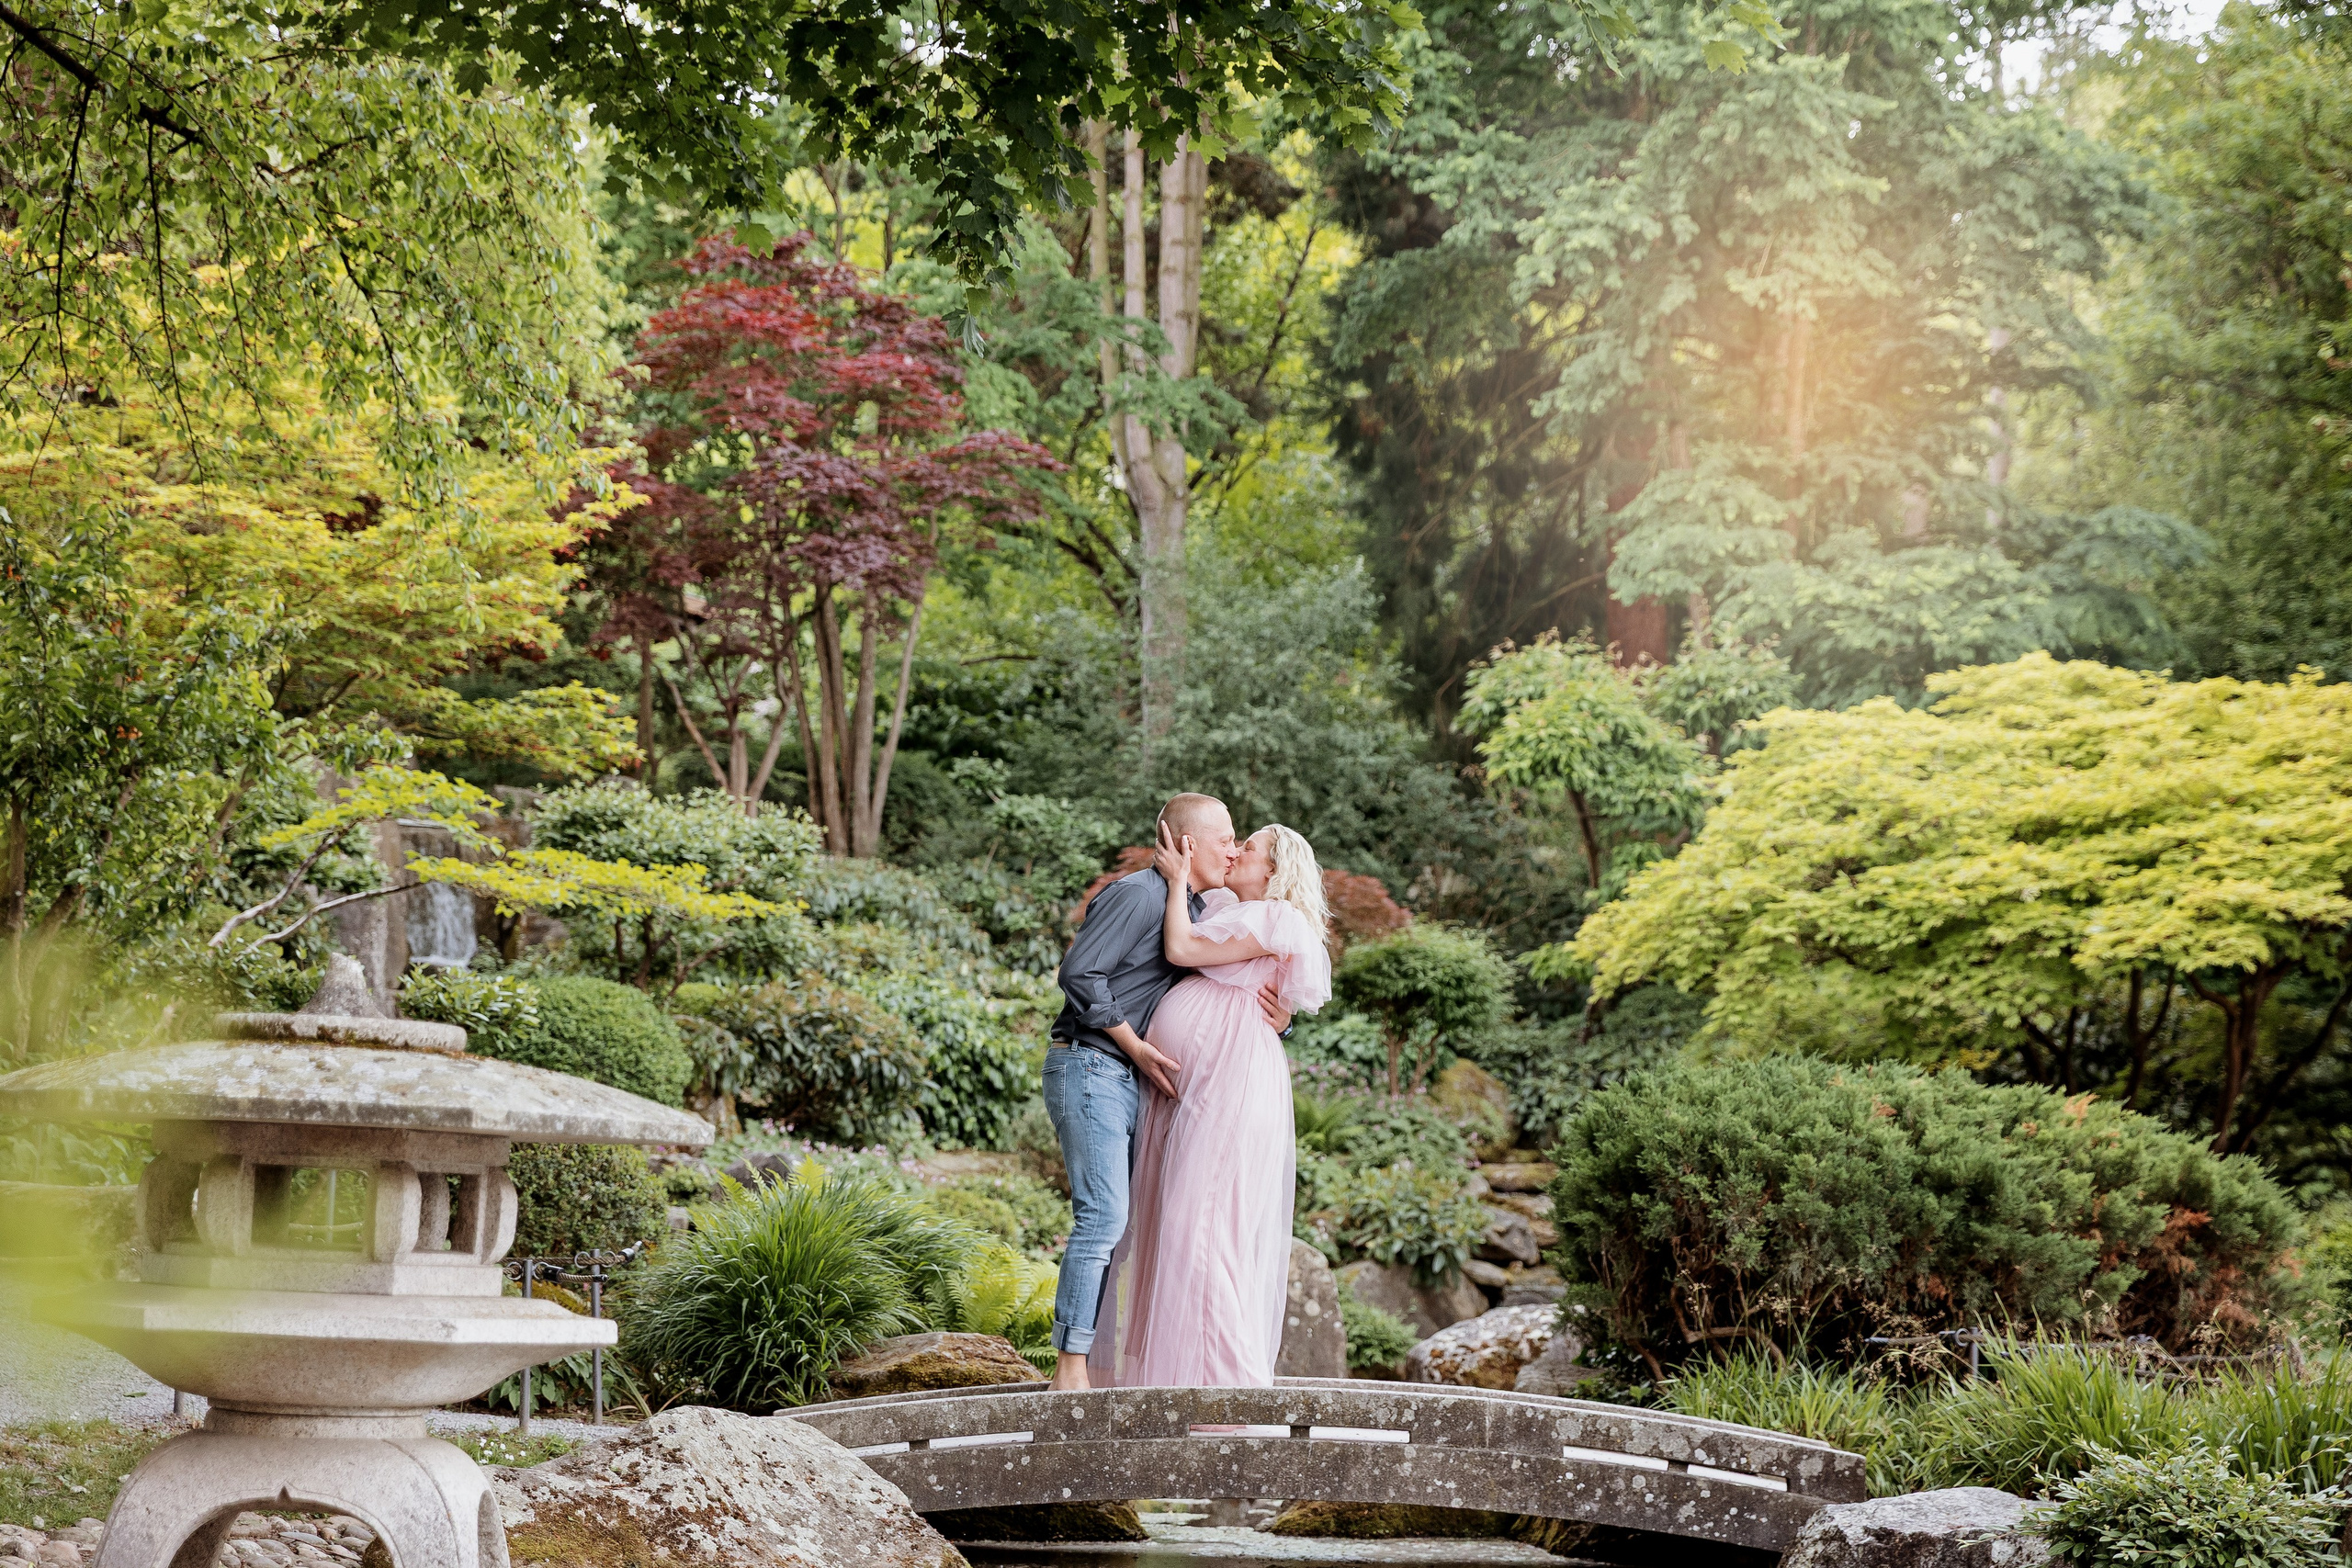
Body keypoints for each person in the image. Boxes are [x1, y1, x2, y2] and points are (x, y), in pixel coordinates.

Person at [1044, 793, 1294, 1392]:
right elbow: (1080, 975)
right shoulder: (1140, 895)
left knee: (1126, 1229)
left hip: (1135, 1084)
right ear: (1186, 843)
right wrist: (1134, 1045)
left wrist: (1283, 1014)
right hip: (1093, 1064)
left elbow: (1226, 973)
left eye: (1241, 841)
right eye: (1226, 837)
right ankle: (1070, 1371)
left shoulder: (1199, 907)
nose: (1233, 849)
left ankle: (1098, 1369)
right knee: (1105, 1217)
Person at [1086, 818, 1332, 1390]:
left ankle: (1238, 1390)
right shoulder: (1222, 903)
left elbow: (1181, 948)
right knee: (1170, 1220)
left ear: (1272, 869)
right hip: (1191, 1087)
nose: (1237, 850)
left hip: (1231, 1081)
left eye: (1249, 848)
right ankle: (1168, 1379)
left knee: (1203, 1224)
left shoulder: (1276, 917)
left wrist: (1174, 881)